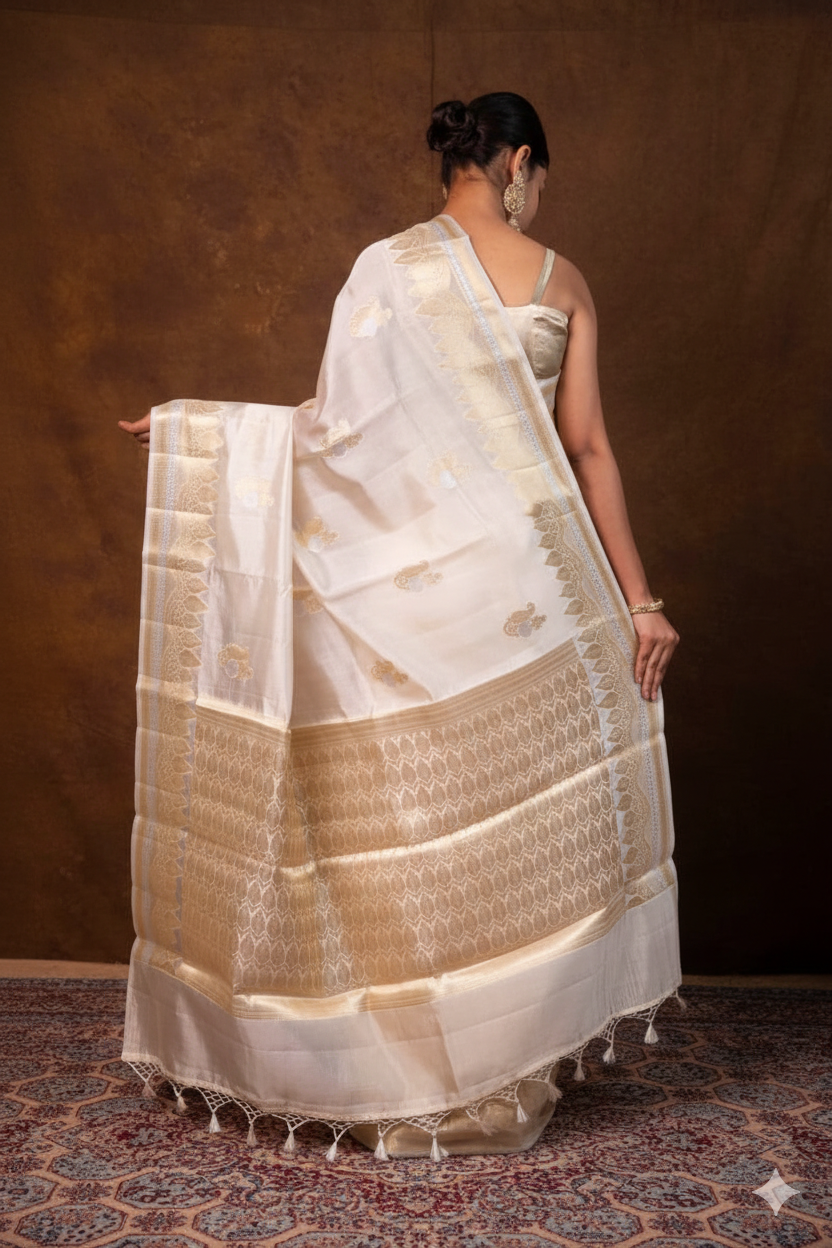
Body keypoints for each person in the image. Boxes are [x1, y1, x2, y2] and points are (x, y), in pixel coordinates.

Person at [119, 93, 681, 1160]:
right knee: (515, 830)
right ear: (519, 163)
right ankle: (505, 1065)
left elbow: (337, 436)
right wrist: (640, 603)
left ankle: (425, 1064)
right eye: (536, 180)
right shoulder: (560, 280)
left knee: (421, 826)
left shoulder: (385, 268)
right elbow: (589, 450)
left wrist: (201, 434)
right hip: (536, 589)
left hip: (415, 591)